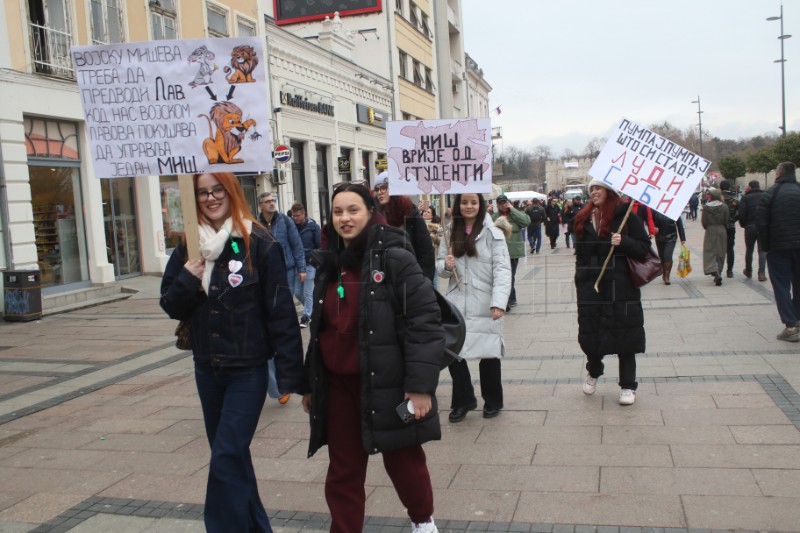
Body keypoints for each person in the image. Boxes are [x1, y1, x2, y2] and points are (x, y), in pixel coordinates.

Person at [160, 172, 304, 532]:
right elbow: (171, 305)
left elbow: (281, 313)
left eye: (217, 189)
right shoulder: (188, 248)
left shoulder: (258, 242)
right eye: (203, 192)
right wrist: (187, 279)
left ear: (232, 191)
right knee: (233, 459)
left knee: (225, 456)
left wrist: (292, 378)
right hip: (208, 369)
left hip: (248, 370)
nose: (210, 198)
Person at [302, 183, 444, 533]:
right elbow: (320, 330)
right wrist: (309, 384)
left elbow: (424, 322)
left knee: (404, 461)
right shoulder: (328, 262)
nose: (345, 218)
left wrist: (420, 387)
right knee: (343, 470)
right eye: (338, 212)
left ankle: (423, 521)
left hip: (388, 384)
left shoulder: (394, 257)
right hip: (338, 387)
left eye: (353, 210)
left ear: (369, 212)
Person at [573, 179, 650, 406]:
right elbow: (581, 255)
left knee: (625, 335)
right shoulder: (583, 218)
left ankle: (628, 385)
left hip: (621, 286)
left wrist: (624, 241)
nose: (594, 192)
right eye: (592, 189)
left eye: (598, 188)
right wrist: (582, 279)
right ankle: (594, 370)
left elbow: (644, 248)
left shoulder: (626, 217)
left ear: (610, 192)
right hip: (592, 287)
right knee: (591, 334)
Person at [439, 193, 512, 422]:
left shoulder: (494, 233)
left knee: (489, 354)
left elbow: (502, 270)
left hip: (485, 300)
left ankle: (493, 400)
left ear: (481, 205)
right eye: (464, 202)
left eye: (473, 202)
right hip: (457, 300)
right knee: (454, 353)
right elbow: (440, 268)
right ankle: (463, 400)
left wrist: (499, 302)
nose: (469, 206)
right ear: (457, 205)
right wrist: (445, 265)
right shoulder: (449, 231)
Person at [258, 191, 306, 404]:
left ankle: (285, 379)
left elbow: (296, 245)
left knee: (282, 324)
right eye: (267, 201)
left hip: (285, 273)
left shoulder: (285, 221)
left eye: (273, 201)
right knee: (265, 328)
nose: (271, 204)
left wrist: (302, 268)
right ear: (260, 205)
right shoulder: (253, 224)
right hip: (262, 277)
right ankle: (276, 387)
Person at [755, 162, 800, 343]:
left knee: (781, 286)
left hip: (778, 247)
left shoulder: (770, 194)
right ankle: (796, 318)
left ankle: (790, 326)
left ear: (778, 174)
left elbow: (761, 223)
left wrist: (765, 247)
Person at [372, 172, 436, 281]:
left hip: (410, 276)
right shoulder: (374, 215)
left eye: (383, 188)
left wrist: (425, 281)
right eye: (377, 189)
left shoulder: (410, 212)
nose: (380, 192)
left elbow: (425, 250)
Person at [492, 194, 530, 310]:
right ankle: (505, 299)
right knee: (500, 276)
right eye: (501, 203)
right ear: (497, 205)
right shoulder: (494, 217)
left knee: (510, 275)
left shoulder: (515, 215)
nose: (504, 205)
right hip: (498, 252)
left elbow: (526, 222)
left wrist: (513, 209)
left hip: (512, 251)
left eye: (505, 202)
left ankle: (510, 299)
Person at [291, 202, 321, 328]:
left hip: (310, 264)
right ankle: (315, 310)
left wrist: (313, 260)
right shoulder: (291, 226)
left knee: (308, 292)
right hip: (297, 265)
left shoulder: (313, 226)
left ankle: (306, 316)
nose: (295, 218)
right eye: (293, 215)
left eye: (297, 215)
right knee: (297, 292)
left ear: (304, 214)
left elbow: (319, 245)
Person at [738, 180, 767, 282]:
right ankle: (761, 273)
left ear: (750, 187)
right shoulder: (765, 195)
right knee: (762, 250)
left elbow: (741, 213)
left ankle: (749, 270)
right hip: (763, 226)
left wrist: (743, 224)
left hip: (750, 226)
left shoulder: (745, 198)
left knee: (749, 249)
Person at [702, 188, 729, 286]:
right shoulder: (724, 207)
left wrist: (708, 227)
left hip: (710, 230)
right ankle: (719, 271)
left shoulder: (706, 207)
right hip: (721, 230)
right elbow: (726, 220)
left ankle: (713, 269)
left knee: (710, 251)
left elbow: (704, 222)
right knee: (720, 252)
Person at [653, 210, 686, 285]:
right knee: (662, 257)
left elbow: (679, 223)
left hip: (671, 237)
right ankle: (664, 273)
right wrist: (654, 227)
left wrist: (682, 237)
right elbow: (650, 220)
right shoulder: (655, 210)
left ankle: (667, 276)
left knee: (667, 255)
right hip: (659, 237)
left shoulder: (673, 210)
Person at [719, 179, 740, 278]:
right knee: (730, 249)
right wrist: (733, 220)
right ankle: (730, 271)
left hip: (719, 227)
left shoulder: (717, 198)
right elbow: (740, 213)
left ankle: (718, 270)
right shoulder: (734, 199)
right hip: (731, 227)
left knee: (719, 249)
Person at [422, 205, 444, 290]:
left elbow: (443, 241)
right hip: (420, 257)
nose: (426, 213)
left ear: (432, 215)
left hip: (432, 257)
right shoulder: (418, 224)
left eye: (428, 212)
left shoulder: (437, 227)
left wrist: (435, 238)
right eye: (425, 211)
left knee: (433, 281)